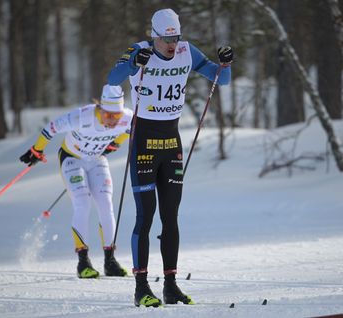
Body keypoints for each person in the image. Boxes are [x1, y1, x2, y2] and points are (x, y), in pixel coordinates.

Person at [107, 8, 233, 307]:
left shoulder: (187, 52)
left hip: (171, 142)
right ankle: (141, 287)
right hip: (144, 143)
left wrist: (226, 64)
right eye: (166, 39)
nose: (172, 44)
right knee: (145, 215)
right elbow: (113, 78)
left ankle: (171, 285)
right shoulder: (139, 50)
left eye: (176, 37)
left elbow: (221, 79)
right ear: (154, 36)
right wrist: (131, 65)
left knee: (171, 217)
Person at [19, 85, 133, 279]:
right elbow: (51, 128)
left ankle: (110, 261)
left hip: (96, 159)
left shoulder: (127, 117)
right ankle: (83, 262)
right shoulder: (82, 117)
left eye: (117, 115)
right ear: (100, 109)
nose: (113, 120)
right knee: (82, 202)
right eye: (109, 115)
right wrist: (37, 150)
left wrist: (116, 143)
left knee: (105, 204)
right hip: (72, 158)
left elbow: (130, 129)